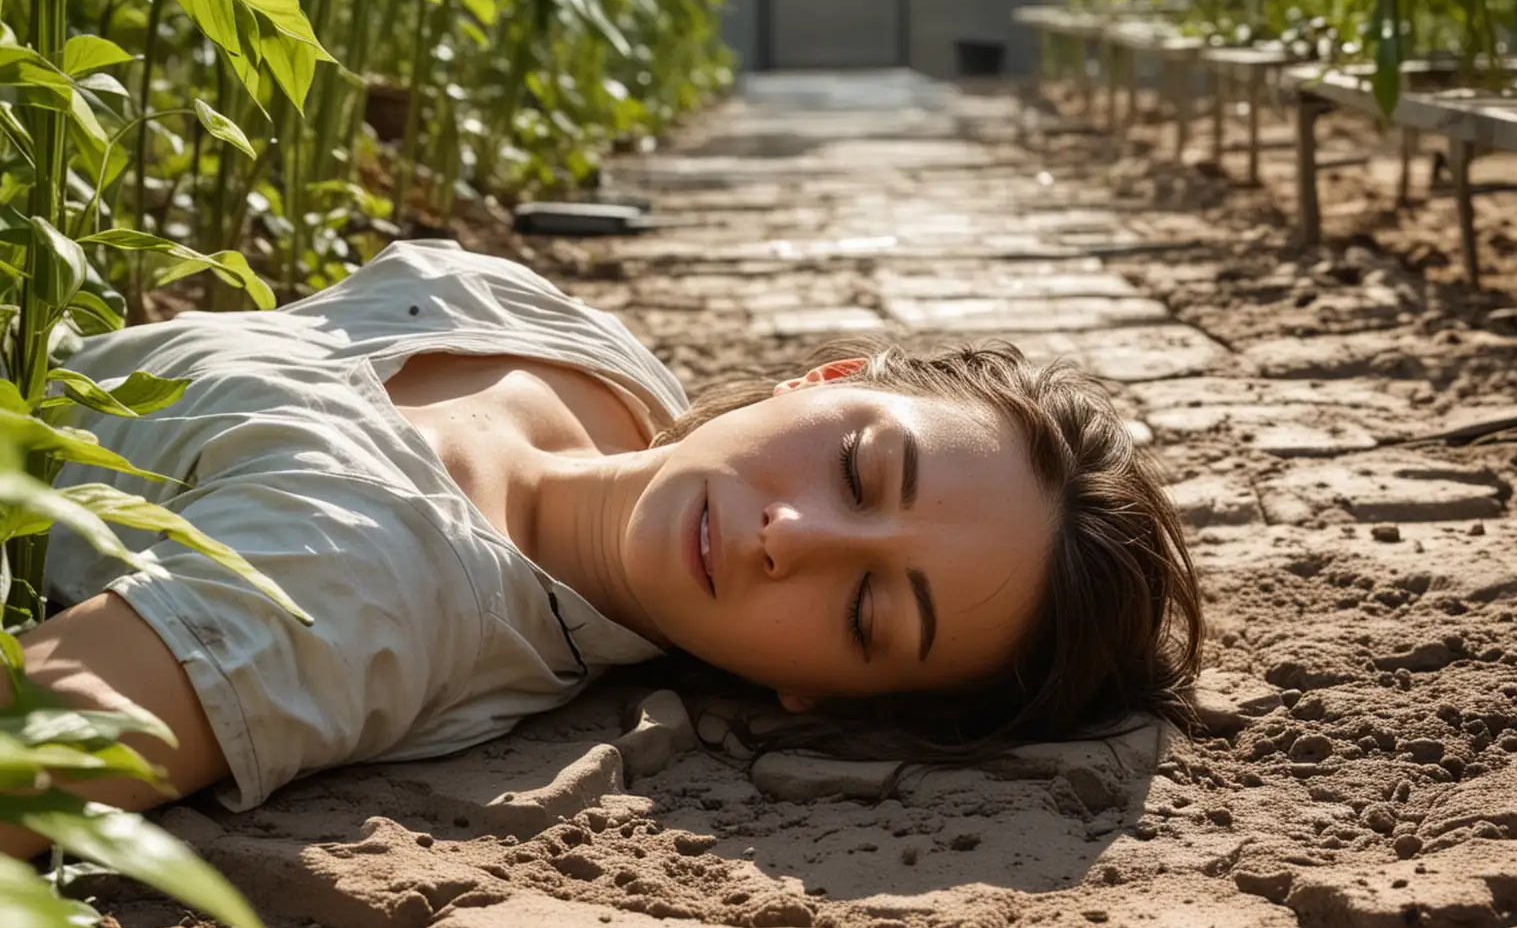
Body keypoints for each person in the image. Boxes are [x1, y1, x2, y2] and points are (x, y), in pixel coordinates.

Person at [2, 240, 1202, 855]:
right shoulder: (593, 353)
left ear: (814, 694)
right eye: (860, 469)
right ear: (829, 378)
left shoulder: (354, 593)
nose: (798, 537)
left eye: (868, 616)